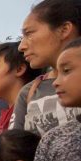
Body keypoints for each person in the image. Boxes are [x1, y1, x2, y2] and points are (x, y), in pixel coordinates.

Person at [12, 0, 81, 135]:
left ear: (64, 29)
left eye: (29, 34)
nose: (21, 46)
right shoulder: (29, 92)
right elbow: (13, 148)